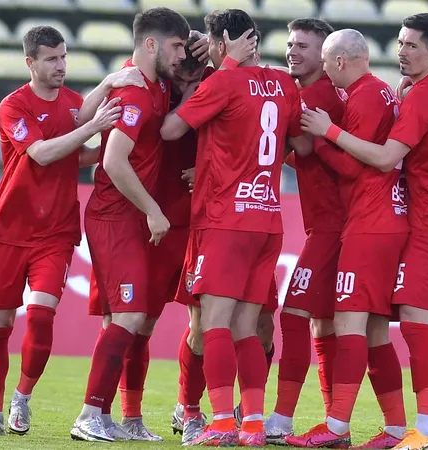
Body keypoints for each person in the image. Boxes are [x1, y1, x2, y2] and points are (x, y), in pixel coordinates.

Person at [300, 13, 428, 450]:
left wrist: (328, 130)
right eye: (400, 43)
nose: (401, 52)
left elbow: (384, 159)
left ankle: (417, 430)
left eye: (411, 46)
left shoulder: (420, 98)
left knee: (415, 325)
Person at [161, 8, 310, 447]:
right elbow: (299, 143)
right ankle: (252, 425)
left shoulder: (221, 81)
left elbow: (170, 130)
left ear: (223, 44)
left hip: (224, 219)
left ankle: (221, 421)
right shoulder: (284, 84)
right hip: (267, 217)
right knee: (249, 326)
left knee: (214, 325)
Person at [0, 25, 131, 437]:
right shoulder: (14, 106)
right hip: (10, 229)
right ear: (31, 62)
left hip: (56, 232)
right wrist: (92, 126)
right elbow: (42, 154)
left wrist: (114, 144)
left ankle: (21, 398)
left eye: (63, 57)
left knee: (42, 316)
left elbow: (76, 155)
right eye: (51, 59)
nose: (61, 65)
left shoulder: (74, 104)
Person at [70, 8, 191, 442]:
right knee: (129, 314)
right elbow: (113, 160)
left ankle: (119, 418)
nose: (181, 55)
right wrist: (153, 210)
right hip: (114, 213)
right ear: (152, 45)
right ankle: (89, 414)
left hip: (126, 215)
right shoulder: (137, 91)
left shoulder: (153, 82)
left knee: (129, 321)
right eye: (176, 46)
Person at [289, 28, 409, 449]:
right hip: (387, 220)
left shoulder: (362, 96)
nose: (322, 67)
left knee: (349, 323)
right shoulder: (382, 93)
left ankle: (336, 426)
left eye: (324, 59)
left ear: (339, 61)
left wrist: (322, 135)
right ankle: (395, 428)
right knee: (375, 329)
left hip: (369, 223)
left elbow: (357, 168)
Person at [263, 17, 345, 445]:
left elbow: (305, 145)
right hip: (335, 224)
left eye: (304, 46)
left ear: (326, 56)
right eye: (291, 44)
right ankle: (334, 423)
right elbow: (308, 155)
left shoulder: (314, 96)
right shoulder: (322, 93)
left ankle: (280, 419)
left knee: (294, 314)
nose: (293, 51)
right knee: (323, 325)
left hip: (333, 227)